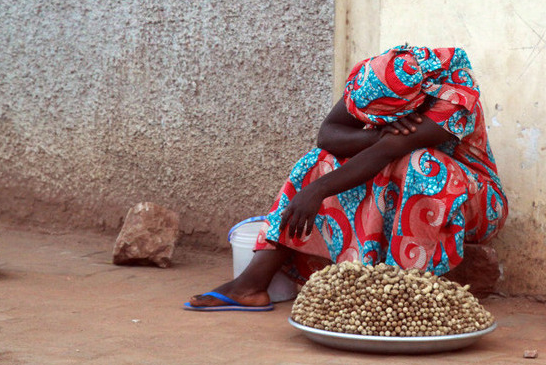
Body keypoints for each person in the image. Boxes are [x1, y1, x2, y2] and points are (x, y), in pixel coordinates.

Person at [185, 44, 508, 311]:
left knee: (420, 163)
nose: (367, 119)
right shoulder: (376, 78)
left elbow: (390, 151)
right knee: (321, 161)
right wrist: (379, 133)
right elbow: (328, 135)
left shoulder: (456, 95)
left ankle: (405, 291)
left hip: (475, 201)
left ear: (417, 101)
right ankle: (252, 283)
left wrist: (317, 191)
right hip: (394, 173)